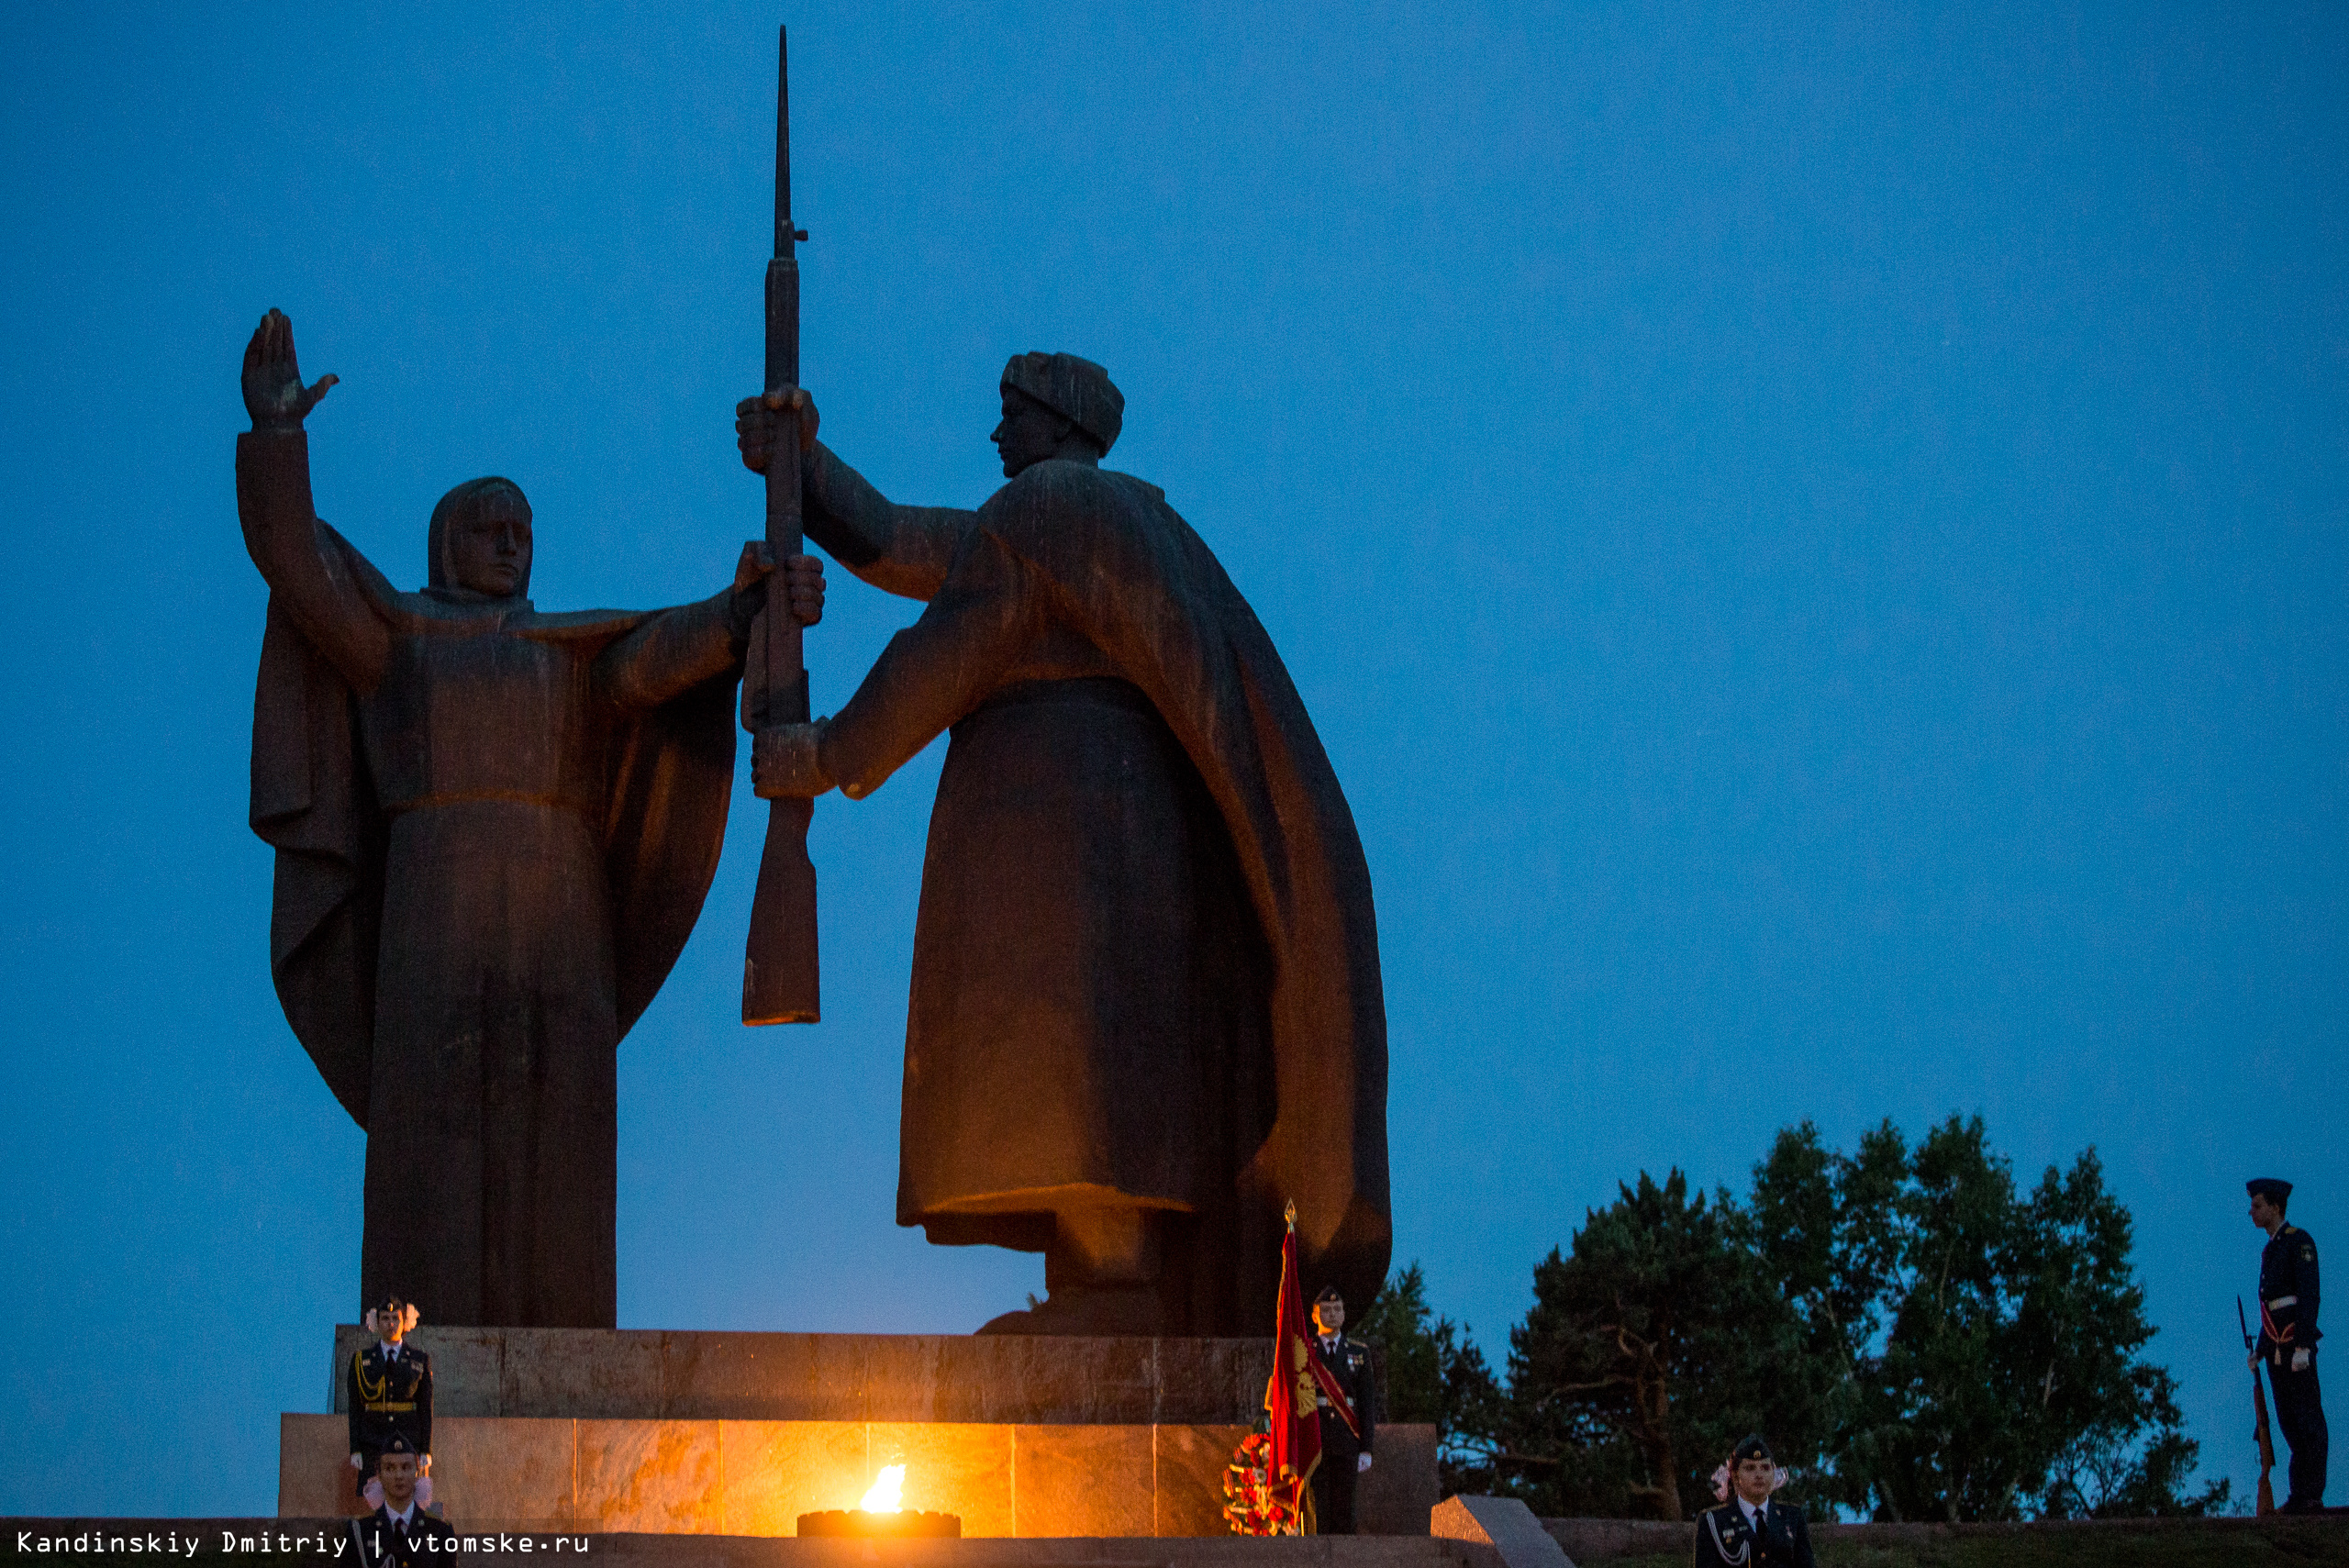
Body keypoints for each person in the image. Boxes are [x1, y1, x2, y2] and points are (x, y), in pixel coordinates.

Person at [736, 357, 1388, 1335]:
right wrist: (800, 459)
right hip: (1100, 817)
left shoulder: (1048, 508)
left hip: (1063, 824)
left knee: (1072, 1058)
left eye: (1011, 417)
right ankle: (1098, 1282)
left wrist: (823, 753)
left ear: (1057, 423)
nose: (996, 438)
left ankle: (1112, 1288)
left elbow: (954, 641)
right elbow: (898, 539)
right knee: (1082, 1060)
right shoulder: (1098, 517)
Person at [237, 310, 825, 1326]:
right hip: (435, 899)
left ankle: (564, 1336)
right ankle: (410, 1350)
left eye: (523, 531)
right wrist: (279, 437)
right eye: (490, 529)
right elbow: (297, 560)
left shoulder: (570, 653)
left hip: (562, 912)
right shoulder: (399, 642)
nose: (512, 545)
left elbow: (656, 656)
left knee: (562, 1123)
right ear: (446, 543)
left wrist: (742, 613)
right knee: (433, 1123)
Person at [2249, 1176, 2327, 1511]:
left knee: (2308, 1420)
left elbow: (2307, 1297)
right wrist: (2262, 1348)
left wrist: (2303, 1346)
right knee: (2288, 1422)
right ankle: (2299, 1495)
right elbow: (2272, 1308)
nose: (2251, 1211)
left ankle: (2310, 1495)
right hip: (2278, 1348)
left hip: (2295, 1345)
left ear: (2276, 1207)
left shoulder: (2299, 1243)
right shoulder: (2272, 1249)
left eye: (2258, 1205)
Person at [347, 1295, 431, 1508]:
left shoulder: (419, 1359)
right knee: (373, 1503)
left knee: (409, 1502)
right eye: (385, 1318)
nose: (391, 1324)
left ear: (405, 1322)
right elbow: (355, 1408)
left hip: (407, 1439)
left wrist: (425, 1450)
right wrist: (355, 1448)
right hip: (372, 1439)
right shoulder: (361, 1360)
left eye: (396, 1318)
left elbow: (425, 1408)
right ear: (376, 1322)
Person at [1308, 1286, 1376, 1535]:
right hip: (1315, 1438)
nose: (1333, 1314)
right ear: (1315, 1316)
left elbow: (1367, 1403)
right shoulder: (1303, 1350)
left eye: (1338, 1309)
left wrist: (1367, 1447)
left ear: (1345, 1315)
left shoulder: (1358, 1352)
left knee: (1345, 1509)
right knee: (1320, 1510)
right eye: (1326, 1309)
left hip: (1347, 1438)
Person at [1695, 1435, 1814, 1568]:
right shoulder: (1714, 1522)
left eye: (1765, 1468)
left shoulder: (1793, 1517)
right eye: (1750, 1468)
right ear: (1735, 1476)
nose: (1759, 1475)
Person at [347, 1435, 453, 1567]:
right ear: (379, 1475)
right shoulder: (360, 1530)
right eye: (390, 1468)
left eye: (406, 1467)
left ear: (418, 1473)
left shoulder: (439, 1529)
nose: (399, 1476)